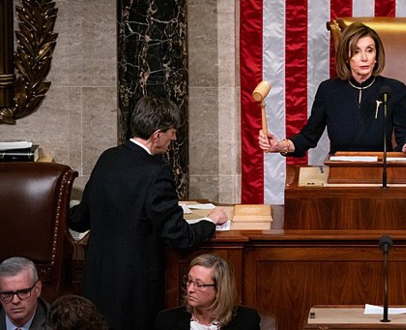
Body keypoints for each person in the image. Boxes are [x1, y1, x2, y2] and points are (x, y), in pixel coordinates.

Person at [68, 95, 229, 330]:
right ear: (157, 135)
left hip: (97, 281)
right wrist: (210, 221)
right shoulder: (156, 172)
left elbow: (81, 219)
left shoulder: (107, 158)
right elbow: (177, 235)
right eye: (172, 132)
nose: (174, 138)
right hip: (134, 290)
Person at [259, 22, 406, 157]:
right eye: (356, 51)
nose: (364, 58)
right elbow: (308, 137)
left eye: (369, 50)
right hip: (339, 173)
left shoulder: (394, 90)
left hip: (380, 172)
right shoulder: (328, 90)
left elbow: (404, 137)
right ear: (346, 57)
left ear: (376, 56)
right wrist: (280, 146)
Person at [154, 253, 261, 329]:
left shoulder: (247, 321)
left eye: (199, 285)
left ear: (219, 289)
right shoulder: (167, 321)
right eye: (189, 281)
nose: (190, 289)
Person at [0, 257, 49, 330]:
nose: (15, 301)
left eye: (23, 292)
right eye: (7, 294)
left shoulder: (56, 324)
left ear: (37, 289)